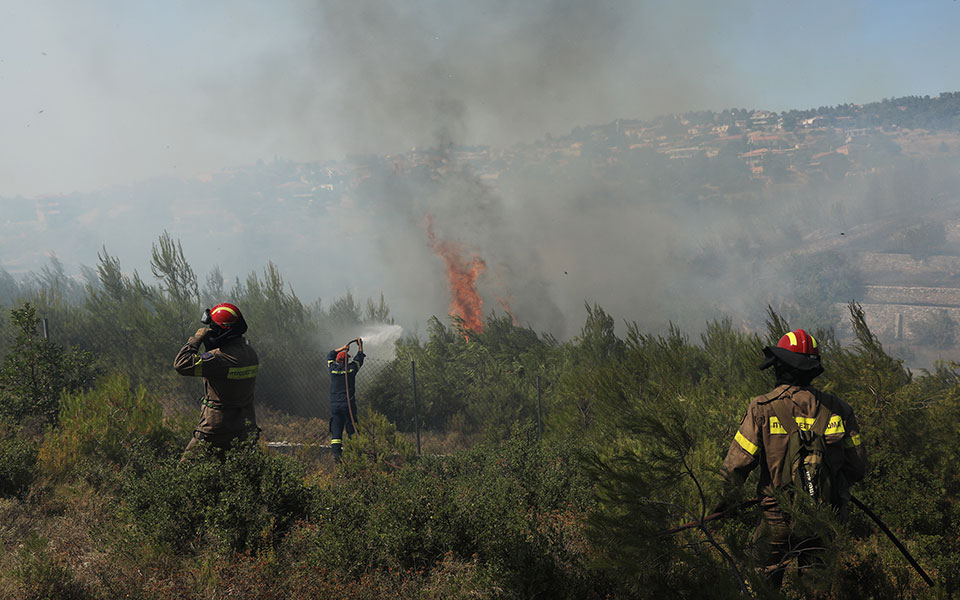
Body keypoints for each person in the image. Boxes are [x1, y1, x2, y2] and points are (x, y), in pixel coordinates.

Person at [718, 328, 867, 588]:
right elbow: (857, 467)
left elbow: (736, 466)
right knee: (815, 587)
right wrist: (823, 490)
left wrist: (721, 506)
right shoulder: (840, 409)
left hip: (778, 518)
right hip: (825, 519)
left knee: (760, 580)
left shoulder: (762, 408)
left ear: (780, 367)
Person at [175, 302, 260, 461]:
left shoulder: (218, 359)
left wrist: (197, 339)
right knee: (237, 478)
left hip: (215, 430)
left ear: (219, 332)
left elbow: (182, 364)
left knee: (185, 474)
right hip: (245, 427)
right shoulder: (250, 354)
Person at [327, 338, 364, 463]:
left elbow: (330, 354)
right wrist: (360, 346)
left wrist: (342, 348)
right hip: (348, 406)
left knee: (336, 434)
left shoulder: (332, 370)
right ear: (347, 359)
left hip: (335, 407)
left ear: (337, 360)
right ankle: (356, 456)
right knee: (352, 430)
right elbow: (360, 359)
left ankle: (337, 458)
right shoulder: (352, 369)